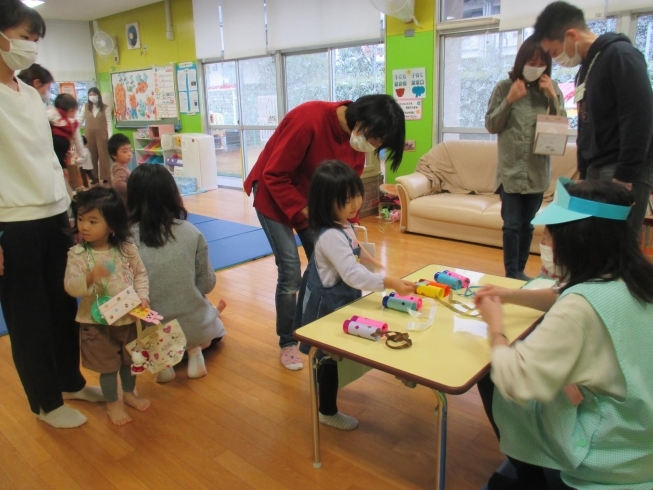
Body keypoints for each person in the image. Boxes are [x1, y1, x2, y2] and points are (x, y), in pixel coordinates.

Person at [474, 178, 653, 489]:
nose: (546, 243)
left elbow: (517, 379)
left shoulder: (580, 308)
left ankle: (531, 479)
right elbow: (564, 295)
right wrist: (508, 294)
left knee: (494, 375)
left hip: (611, 458)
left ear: (577, 240)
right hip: (641, 434)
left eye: (549, 234)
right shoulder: (635, 277)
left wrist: (496, 328)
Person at [243, 95, 405, 370]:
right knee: (291, 269)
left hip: (314, 202)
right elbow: (274, 175)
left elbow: (348, 193)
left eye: (380, 145)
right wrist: (311, 213)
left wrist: (351, 231)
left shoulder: (357, 140)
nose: (375, 147)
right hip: (274, 192)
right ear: (362, 122)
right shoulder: (309, 120)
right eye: (377, 139)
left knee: (322, 266)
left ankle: (309, 327)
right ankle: (288, 341)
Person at [0, 0, 104, 429]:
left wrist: (72, 213)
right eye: (26, 37)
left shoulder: (28, 92)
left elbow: (47, 159)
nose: (32, 48)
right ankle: (45, 403)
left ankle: (69, 380)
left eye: (37, 41)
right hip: (12, 221)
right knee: (30, 318)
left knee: (65, 307)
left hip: (54, 214)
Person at [294, 161, 415, 430]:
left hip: (339, 301)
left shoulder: (344, 225)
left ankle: (332, 390)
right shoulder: (330, 237)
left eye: (356, 195)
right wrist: (388, 282)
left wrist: (374, 264)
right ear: (327, 202)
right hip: (326, 307)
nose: (355, 204)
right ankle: (326, 410)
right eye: (346, 200)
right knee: (327, 359)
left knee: (339, 354)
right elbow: (351, 274)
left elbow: (356, 255)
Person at [533, 1, 653, 233]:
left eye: (554, 52)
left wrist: (623, 178)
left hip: (622, 170)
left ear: (571, 35)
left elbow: (639, 120)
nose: (556, 60)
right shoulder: (586, 68)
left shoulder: (621, 56)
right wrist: (584, 174)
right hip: (597, 169)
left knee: (616, 245)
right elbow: (587, 126)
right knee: (595, 244)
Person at [127, 164, 227, 383]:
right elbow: (206, 284)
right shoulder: (191, 232)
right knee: (213, 327)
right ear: (172, 194)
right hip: (196, 328)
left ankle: (164, 361)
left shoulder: (125, 240)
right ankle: (195, 350)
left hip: (150, 333)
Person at [64, 187, 151, 426]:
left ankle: (130, 393)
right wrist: (90, 277)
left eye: (93, 221)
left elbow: (141, 275)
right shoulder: (78, 254)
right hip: (96, 324)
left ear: (112, 225)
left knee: (129, 360)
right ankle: (113, 403)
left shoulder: (127, 249)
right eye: (81, 219)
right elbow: (71, 287)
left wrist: (143, 297)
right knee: (107, 367)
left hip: (128, 318)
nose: (84, 226)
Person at [486, 36, 566, 281]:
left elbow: (561, 127)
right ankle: (513, 273)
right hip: (510, 172)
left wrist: (553, 97)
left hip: (537, 171)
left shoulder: (552, 90)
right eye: (531, 61)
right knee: (511, 225)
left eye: (541, 62)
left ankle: (518, 271)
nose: (536, 66)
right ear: (521, 62)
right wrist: (510, 100)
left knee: (527, 225)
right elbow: (491, 124)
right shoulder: (503, 87)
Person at [78, 86, 113, 182]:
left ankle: (105, 176)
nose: (92, 96)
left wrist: (110, 136)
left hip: (102, 135)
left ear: (98, 95)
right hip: (89, 135)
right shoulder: (85, 107)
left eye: (94, 94)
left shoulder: (105, 108)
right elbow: (80, 119)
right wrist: (74, 130)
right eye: (90, 95)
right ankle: (93, 177)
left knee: (103, 155)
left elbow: (109, 122)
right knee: (91, 155)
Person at [46, 93, 84, 175]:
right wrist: (82, 155)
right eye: (75, 112)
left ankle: (63, 168)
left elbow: (43, 118)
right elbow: (78, 141)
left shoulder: (52, 112)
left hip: (51, 149)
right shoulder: (72, 123)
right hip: (59, 147)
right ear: (71, 110)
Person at [108, 133, 132, 201]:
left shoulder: (120, 166)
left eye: (130, 150)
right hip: (124, 201)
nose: (129, 154)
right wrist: (133, 187)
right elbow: (117, 184)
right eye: (125, 151)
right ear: (114, 155)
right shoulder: (119, 168)